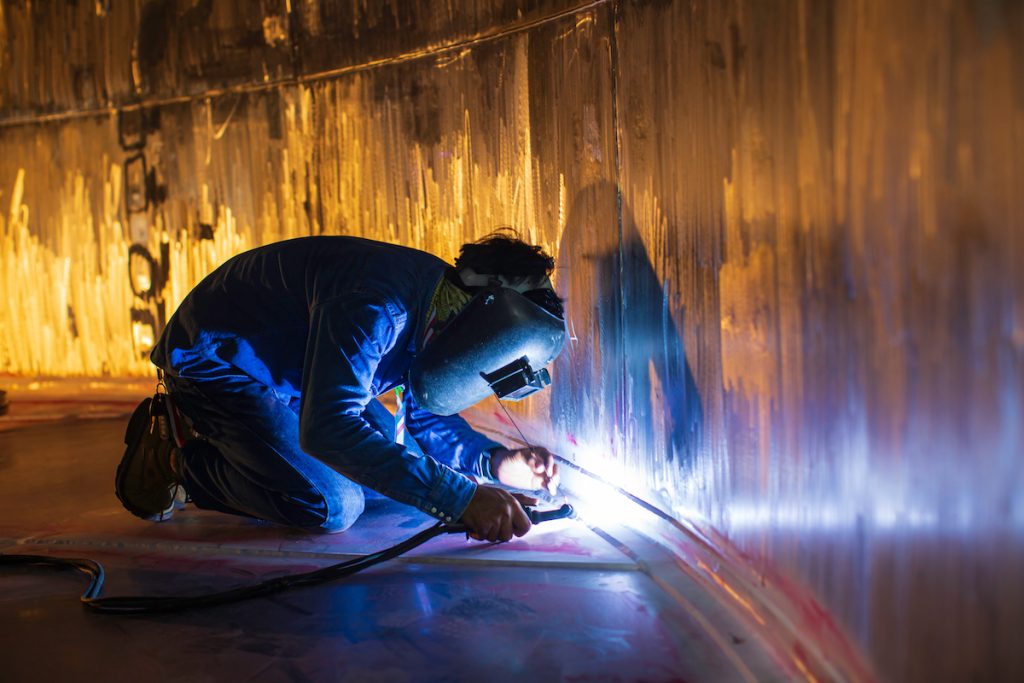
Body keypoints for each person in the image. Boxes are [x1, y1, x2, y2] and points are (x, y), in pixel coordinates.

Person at [115, 232, 566, 544]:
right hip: (214, 363)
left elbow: (424, 411)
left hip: (293, 377)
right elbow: (329, 429)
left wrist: (495, 463)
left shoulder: (436, 304)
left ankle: (250, 448)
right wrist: (460, 498)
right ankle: (180, 458)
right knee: (334, 504)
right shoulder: (379, 304)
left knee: (386, 463)